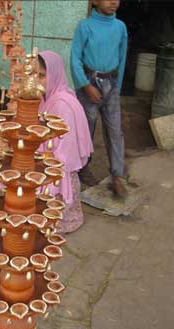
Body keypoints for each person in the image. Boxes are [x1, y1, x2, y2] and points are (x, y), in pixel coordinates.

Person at [71, 0, 128, 198]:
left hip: (111, 83)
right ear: (94, 1)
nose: (114, 2)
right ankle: (81, 168)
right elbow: (75, 58)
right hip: (89, 83)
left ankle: (117, 176)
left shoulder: (120, 27)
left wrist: (117, 88)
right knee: (86, 128)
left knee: (115, 129)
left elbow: (122, 58)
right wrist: (85, 86)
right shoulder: (85, 26)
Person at [38, 51, 93, 234]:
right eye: (33, 75)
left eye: (42, 76)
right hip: (42, 159)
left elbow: (66, 153)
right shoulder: (45, 99)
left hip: (58, 169)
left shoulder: (63, 103)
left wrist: (39, 160)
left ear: (54, 74)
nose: (36, 81)